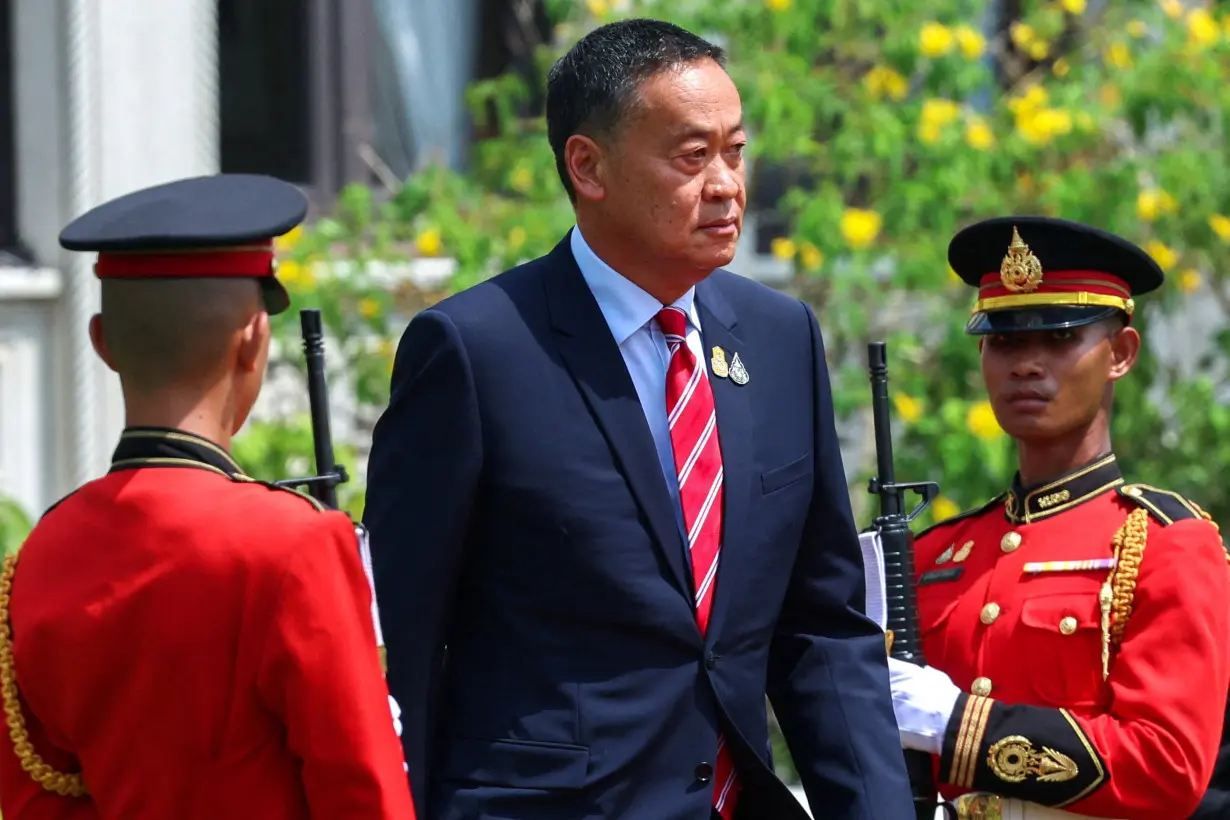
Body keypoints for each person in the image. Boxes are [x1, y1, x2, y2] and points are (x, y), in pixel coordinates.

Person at [363, 17, 913, 820]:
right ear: (588, 166)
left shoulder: (778, 336)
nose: (726, 185)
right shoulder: (476, 352)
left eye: (735, 151)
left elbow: (819, 626)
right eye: (692, 157)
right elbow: (404, 638)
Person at [0, 174, 417, 819]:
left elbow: (37, 802)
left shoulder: (36, 560)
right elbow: (365, 796)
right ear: (254, 339)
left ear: (102, 343)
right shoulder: (295, 544)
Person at [886, 216, 1230, 820]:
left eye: (1059, 338)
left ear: (1120, 355)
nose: (1026, 364)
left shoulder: (1166, 544)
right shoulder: (933, 555)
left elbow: (1168, 765)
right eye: (1006, 342)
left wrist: (962, 726)